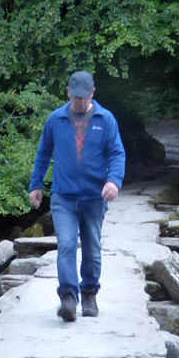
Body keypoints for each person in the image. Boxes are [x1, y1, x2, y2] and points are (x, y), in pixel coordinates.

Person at [28, 71, 126, 322]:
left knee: (92, 248)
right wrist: (35, 185)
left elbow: (117, 154)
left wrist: (114, 181)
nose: (80, 102)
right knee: (67, 243)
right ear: (68, 92)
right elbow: (43, 153)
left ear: (92, 93)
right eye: (76, 97)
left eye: (84, 98)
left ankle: (90, 293)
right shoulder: (56, 119)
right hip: (64, 196)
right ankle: (68, 298)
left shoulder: (106, 120)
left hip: (94, 197)